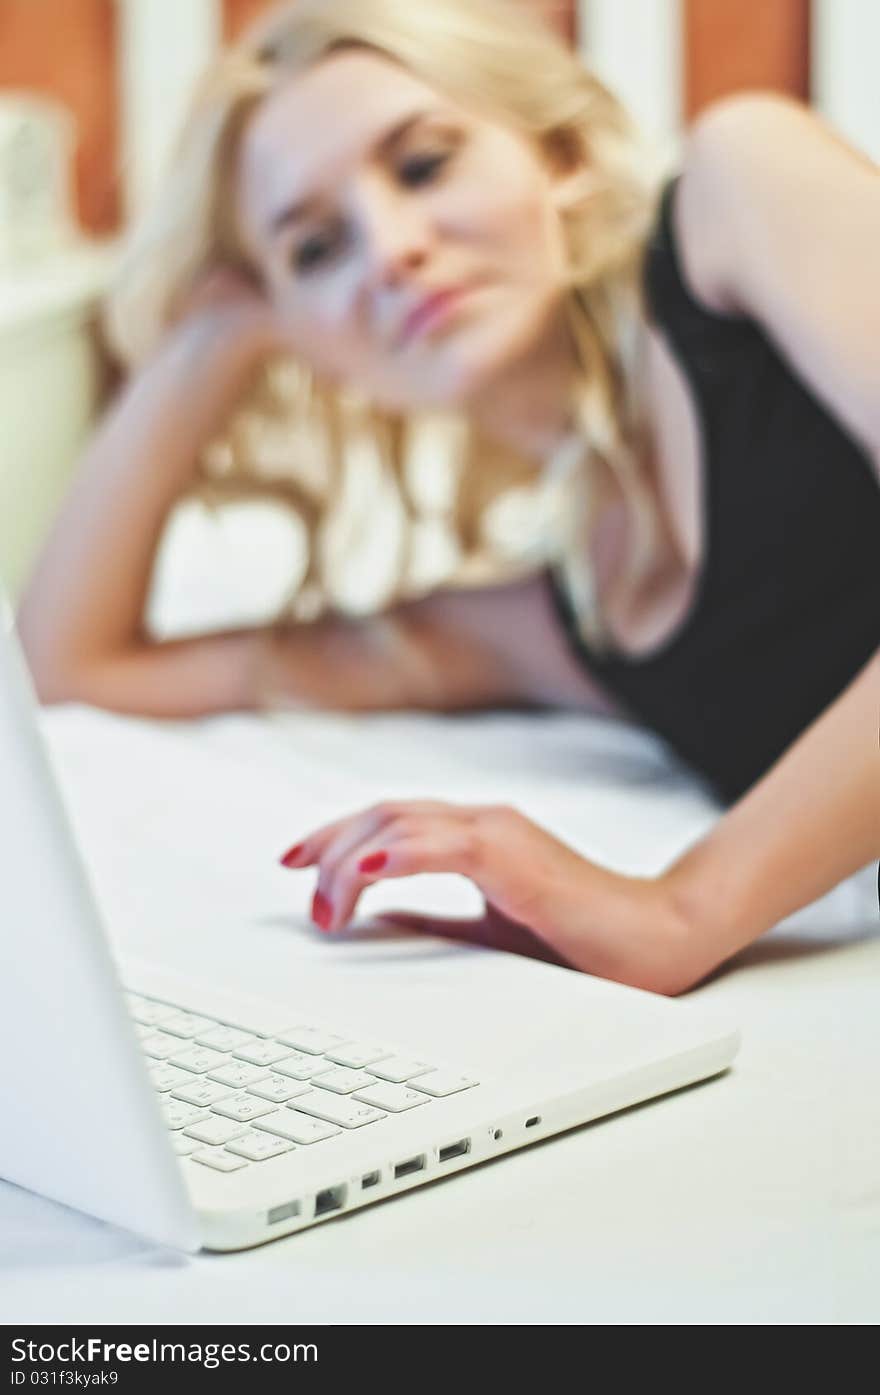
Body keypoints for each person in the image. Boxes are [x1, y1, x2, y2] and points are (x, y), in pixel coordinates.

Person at [18, 0, 879, 993]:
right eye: (314, 248)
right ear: (311, 345)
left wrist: (684, 907)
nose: (389, 248)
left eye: (423, 165)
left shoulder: (740, 186)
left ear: (558, 156)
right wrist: (215, 341)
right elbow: (70, 665)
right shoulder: (553, 628)